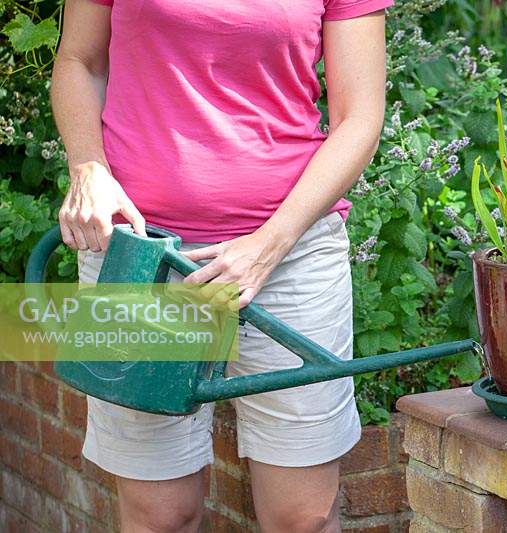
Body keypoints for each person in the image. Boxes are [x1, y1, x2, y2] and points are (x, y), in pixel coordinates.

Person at [50, 0, 390, 530]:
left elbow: (360, 117)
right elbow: (79, 61)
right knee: (158, 514)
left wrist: (268, 245)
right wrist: (87, 166)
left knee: (302, 516)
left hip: (289, 259)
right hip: (143, 255)